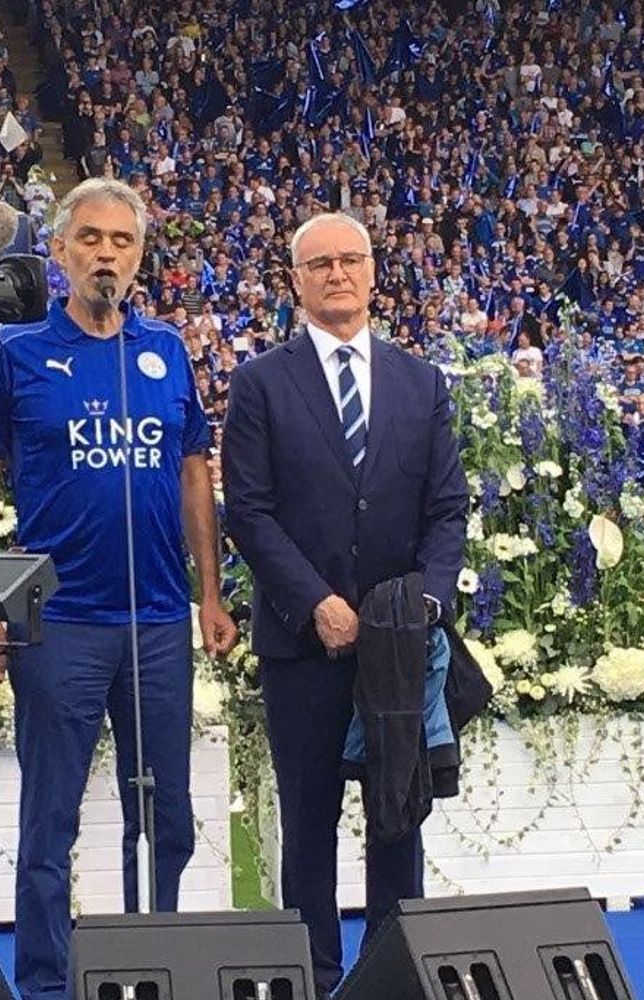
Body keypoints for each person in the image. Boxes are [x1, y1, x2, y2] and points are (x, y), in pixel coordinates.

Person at [0, 178, 238, 1000]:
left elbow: (195, 476)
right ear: (60, 251)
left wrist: (207, 596)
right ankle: (46, 984)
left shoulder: (166, 352)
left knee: (165, 819)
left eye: (121, 241)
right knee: (51, 820)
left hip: (155, 623)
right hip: (58, 625)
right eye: (90, 239)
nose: (106, 253)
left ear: (139, 255)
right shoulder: (18, 355)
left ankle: (152, 967)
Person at [221, 212, 469, 998]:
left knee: (401, 812)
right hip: (305, 644)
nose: (337, 273)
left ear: (372, 272)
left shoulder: (421, 382)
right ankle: (316, 973)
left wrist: (425, 602)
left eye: (350, 260)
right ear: (296, 280)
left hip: (398, 645)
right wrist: (316, 603)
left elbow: (448, 509)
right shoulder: (261, 382)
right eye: (319, 263)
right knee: (309, 820)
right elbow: (249, 512)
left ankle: (397, 972)